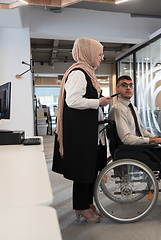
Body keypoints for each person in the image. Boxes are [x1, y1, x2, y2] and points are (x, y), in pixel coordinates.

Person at [52, 37, 113, 224]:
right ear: (88, 53)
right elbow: (73, 101)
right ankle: (81, 207)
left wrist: (99, 100)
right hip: (81, 134)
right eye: (100, 54)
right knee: (83, 171)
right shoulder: (78, 73)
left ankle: (87, 202)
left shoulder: (88, 73)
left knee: (91, 169)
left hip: (90, 133)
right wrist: (99, 102)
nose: (102, 58)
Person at [109, 75, 161, 174]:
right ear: (117, 89)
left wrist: (156, 138)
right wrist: (153, 141)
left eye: (130, 85)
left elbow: (142, 131)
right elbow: (126, 139)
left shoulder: (132, 107)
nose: (128, 88)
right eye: (124, 85)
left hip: (141, 148)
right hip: (133, 151)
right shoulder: (118, 109)